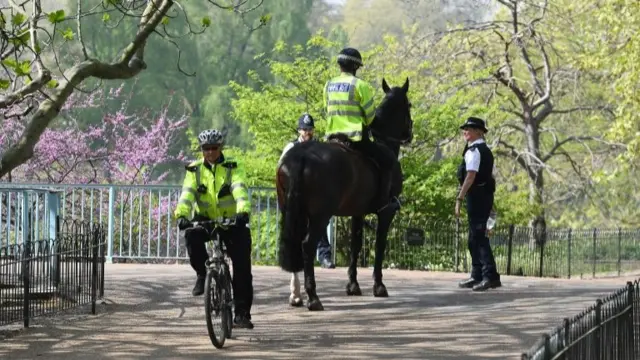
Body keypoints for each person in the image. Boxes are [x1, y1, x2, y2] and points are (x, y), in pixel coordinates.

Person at [174, 129, 255, 329]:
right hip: (207, 220)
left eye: (213, 148)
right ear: (201, 149)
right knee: (191, 236)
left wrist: (243, 211)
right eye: (206, 148)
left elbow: (239, 188)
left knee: (242, 267)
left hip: (231, 222)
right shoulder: (194, 170)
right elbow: (187, 194)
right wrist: (182, 215)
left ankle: (242, 314)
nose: (209, 152)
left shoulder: (233, 166)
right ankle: (203, 274)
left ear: (221, 148)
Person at [323, 47, 400, 212]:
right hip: (355, 138)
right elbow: (370, 117)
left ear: (340, 65)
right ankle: (384, 202)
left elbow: (326, 109)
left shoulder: (328, 85)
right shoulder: (359, 85)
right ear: (355, 67)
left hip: (331, 137)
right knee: (387, 158)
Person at [279, 113, 335, 269]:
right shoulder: (291, 147)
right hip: (296, 194)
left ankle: (324, 256)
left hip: (315, 193)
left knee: (320, 224)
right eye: (304, 129)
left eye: (310, 129)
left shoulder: (318, 148)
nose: (307, 132)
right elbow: (281, 168)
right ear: (299, 130)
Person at [455, 117, 501, 292]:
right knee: (474, 237)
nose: (465, 131)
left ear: (479, 132)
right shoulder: (481, 149)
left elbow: (471, 176)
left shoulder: (475, 151)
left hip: (478, 197)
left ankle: (490, 276)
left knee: (480, 237)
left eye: (469, 128)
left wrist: (459, 198)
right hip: (482, 196)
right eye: (465, 128)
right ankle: (477, 274)